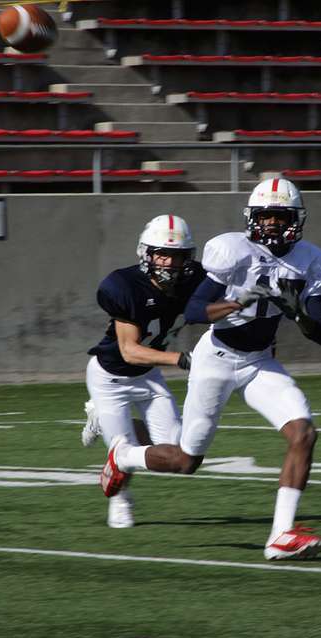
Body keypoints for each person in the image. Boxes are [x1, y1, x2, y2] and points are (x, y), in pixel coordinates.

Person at [99, 177, 321, 560]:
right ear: (253, 218)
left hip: (260, 362)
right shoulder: (232, 250)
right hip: (217, 359)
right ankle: (124, 455)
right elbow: (194, 312)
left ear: (296, 219)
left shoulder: (312, 260)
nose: (272, 224)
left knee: (304, 433)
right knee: (186, 460)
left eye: (280, 216)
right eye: (266, 216)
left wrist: (299, 313)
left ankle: (281, 535)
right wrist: (240, 300)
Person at [82, 214, 205, 528]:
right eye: (162, 254)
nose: (169, 263)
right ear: (146, 254)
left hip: (148, 376)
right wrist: (182, 359)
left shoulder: (195, 281)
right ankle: (120, 500)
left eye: (177, 256)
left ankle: (109, 426)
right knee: (122, 450)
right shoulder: (124, 286)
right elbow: (130, 351)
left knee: (178, 454)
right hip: (110, 377)